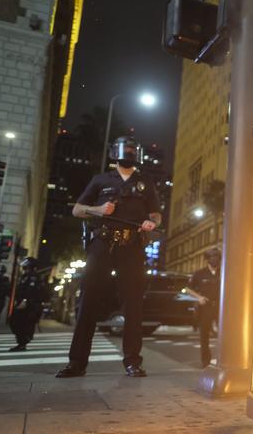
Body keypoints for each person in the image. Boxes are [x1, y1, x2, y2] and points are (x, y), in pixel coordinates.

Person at [56, 136, 161, 378]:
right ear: (115, 152)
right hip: (102, 243)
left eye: (134, 149)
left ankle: (132, 362)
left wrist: (150, 223)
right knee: (88, 302)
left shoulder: (146, 181)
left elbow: (156, 215)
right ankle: (77, 363)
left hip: (132, 246)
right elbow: (77, 209)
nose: (129, 153)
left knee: (133, 304)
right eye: (126, 149)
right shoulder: (101, 179)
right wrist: (98, 210)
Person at [186, 248, 221, 368]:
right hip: (206, 307)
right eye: (212, 257)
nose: (215, 259)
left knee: (223, 335)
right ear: (207, 259)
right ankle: (206, 362)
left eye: (217, 257)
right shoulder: (199, 273)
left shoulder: (224, 272)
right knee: (204, 336)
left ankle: (221, 360)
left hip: (220, 308)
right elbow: (188, 289)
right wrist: (199, 297)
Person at [9, 257, 44, 351]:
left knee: (22, 323)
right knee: (14, 322)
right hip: (22, 303)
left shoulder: (33, 276)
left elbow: (31, 291)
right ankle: (22, 341)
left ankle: (23, 341)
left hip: (29, 305)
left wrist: (25, 301)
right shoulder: (25, 276)